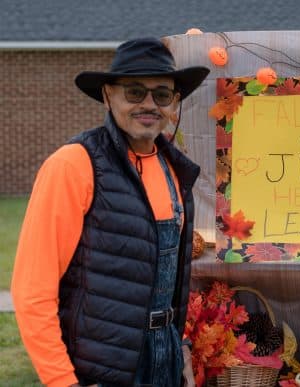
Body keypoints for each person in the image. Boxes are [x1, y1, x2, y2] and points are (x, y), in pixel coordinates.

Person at [11, 37, 210, 386]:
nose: (149, 104)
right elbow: (32, 292)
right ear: (107, 95)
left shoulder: (174, 170)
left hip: (166, 360)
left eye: (161, 94)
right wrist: (62, 381)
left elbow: (167, 281)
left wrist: (181, 351)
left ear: (174, 102)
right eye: (134, 92)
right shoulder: (73, 165)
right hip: (103, 369)